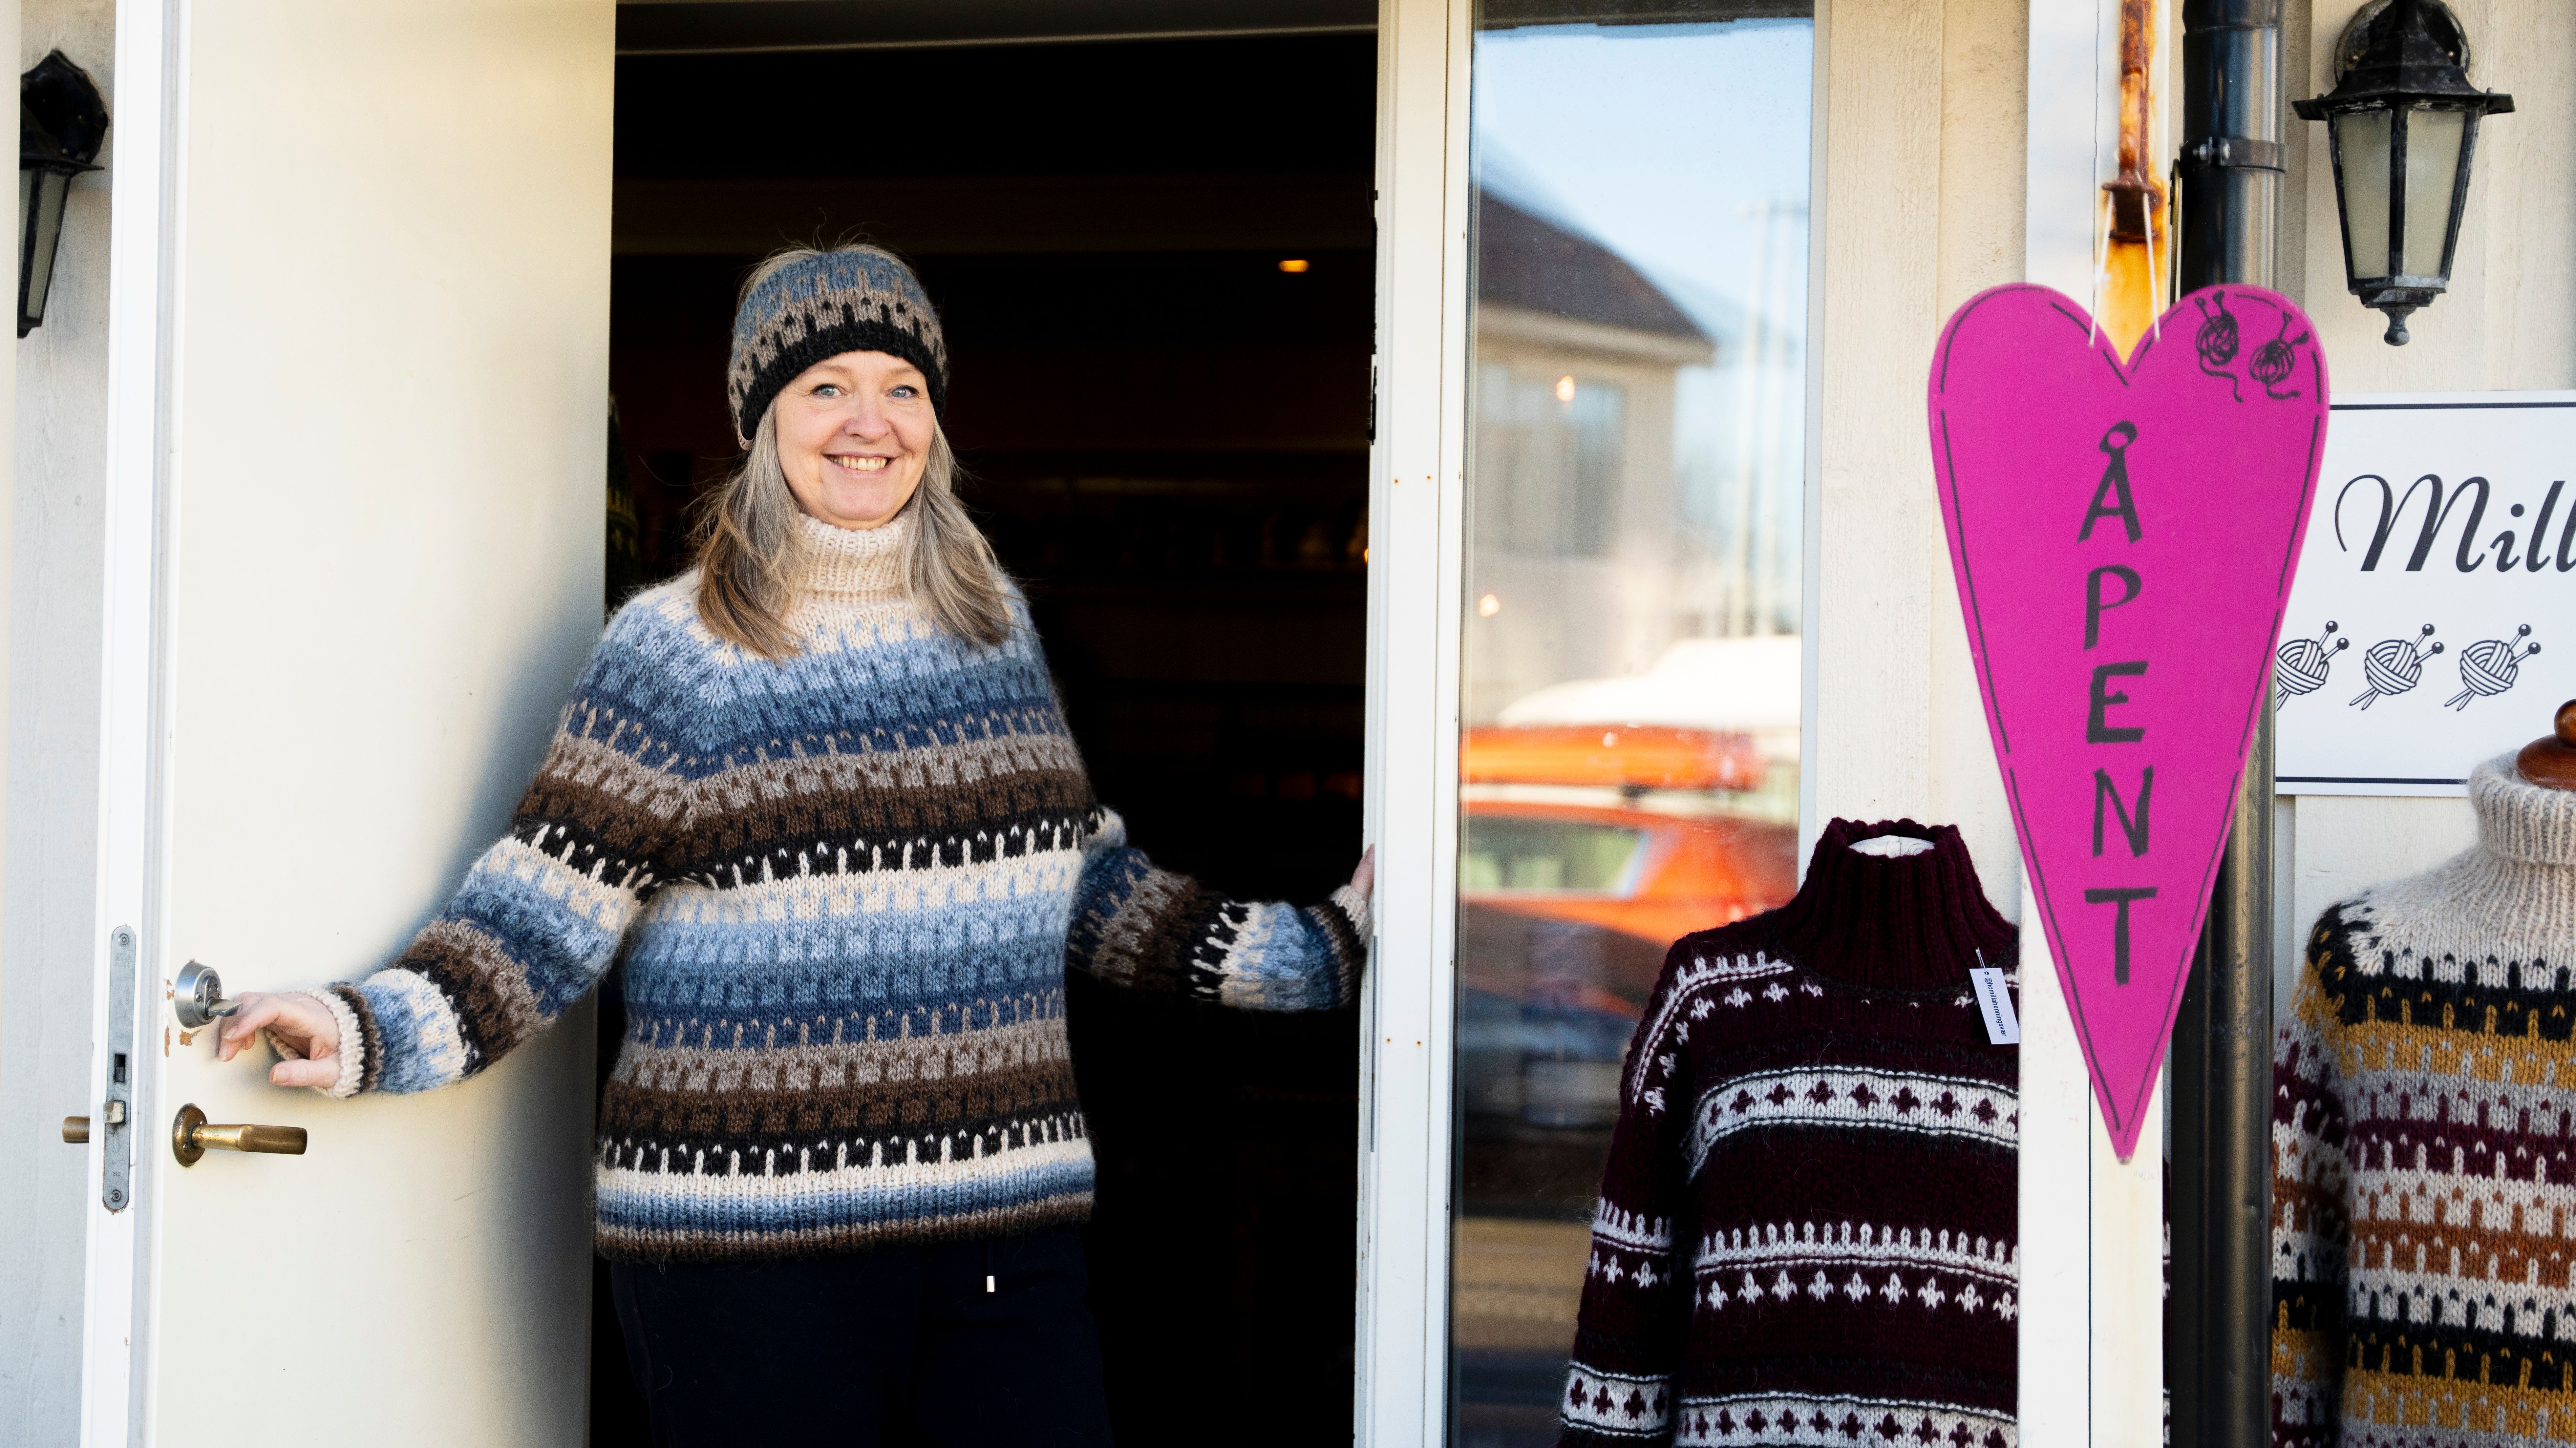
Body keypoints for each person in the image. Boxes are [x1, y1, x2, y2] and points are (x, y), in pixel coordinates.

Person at [220, 243, 1373, 1447]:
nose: (869, 423)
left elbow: (1076, 884)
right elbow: (540, 918)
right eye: (826, 387)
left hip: (1002, 1235)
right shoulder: (679, 653)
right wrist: (366, 1027)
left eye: (901, 388)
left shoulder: (993, 631)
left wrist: (1316, 952)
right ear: (761, 419)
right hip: (749, 1256)